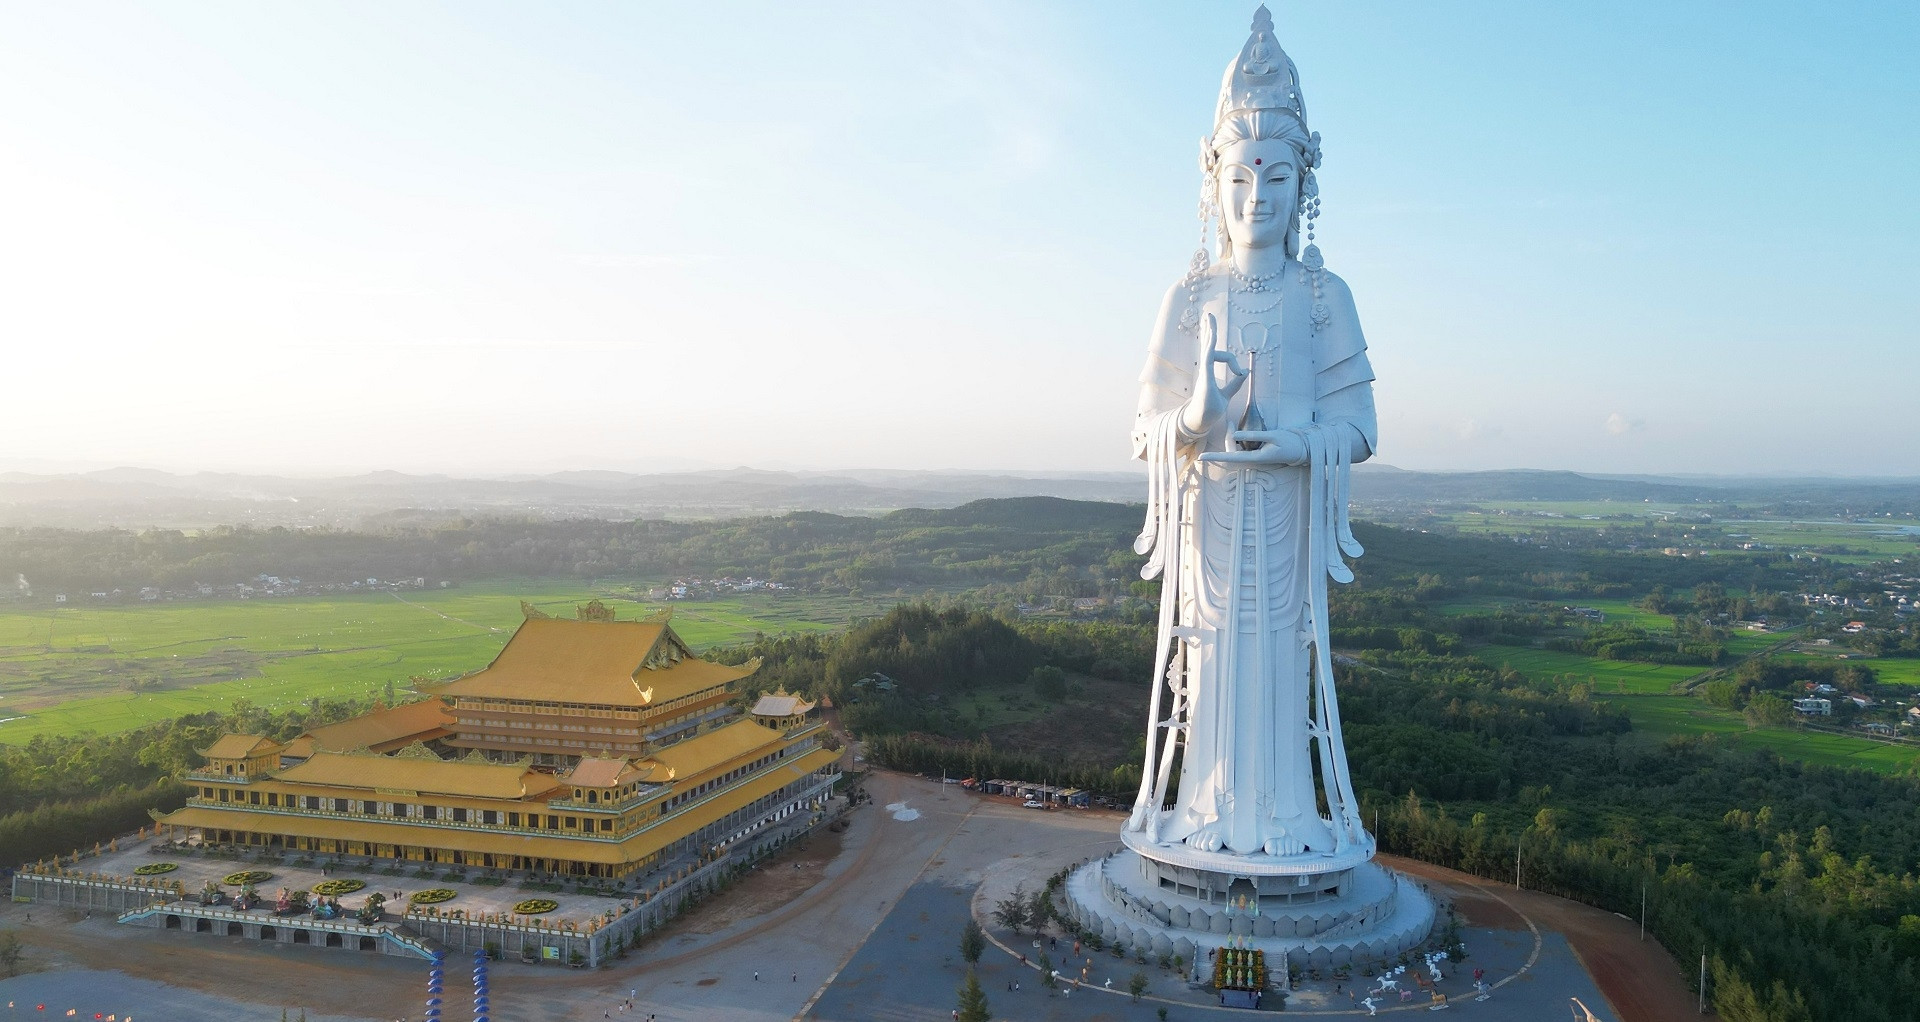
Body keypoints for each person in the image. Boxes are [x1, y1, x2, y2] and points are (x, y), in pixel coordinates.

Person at [1123, 3, 1377, 859]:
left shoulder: (1322, 297)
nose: (1256, 197)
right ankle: (1200, 810)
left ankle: (1290, 821)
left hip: (1286, 522)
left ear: (1303, 185)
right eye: (1239, 178)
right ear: (1212, 184)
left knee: (1276, 680)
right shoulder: (1188, 299)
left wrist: (1303, 445)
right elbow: (1145, 427)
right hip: (1212, 529)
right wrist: (1194, 418)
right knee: (1211, 678)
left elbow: (1362, 425)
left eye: (1274, 178)